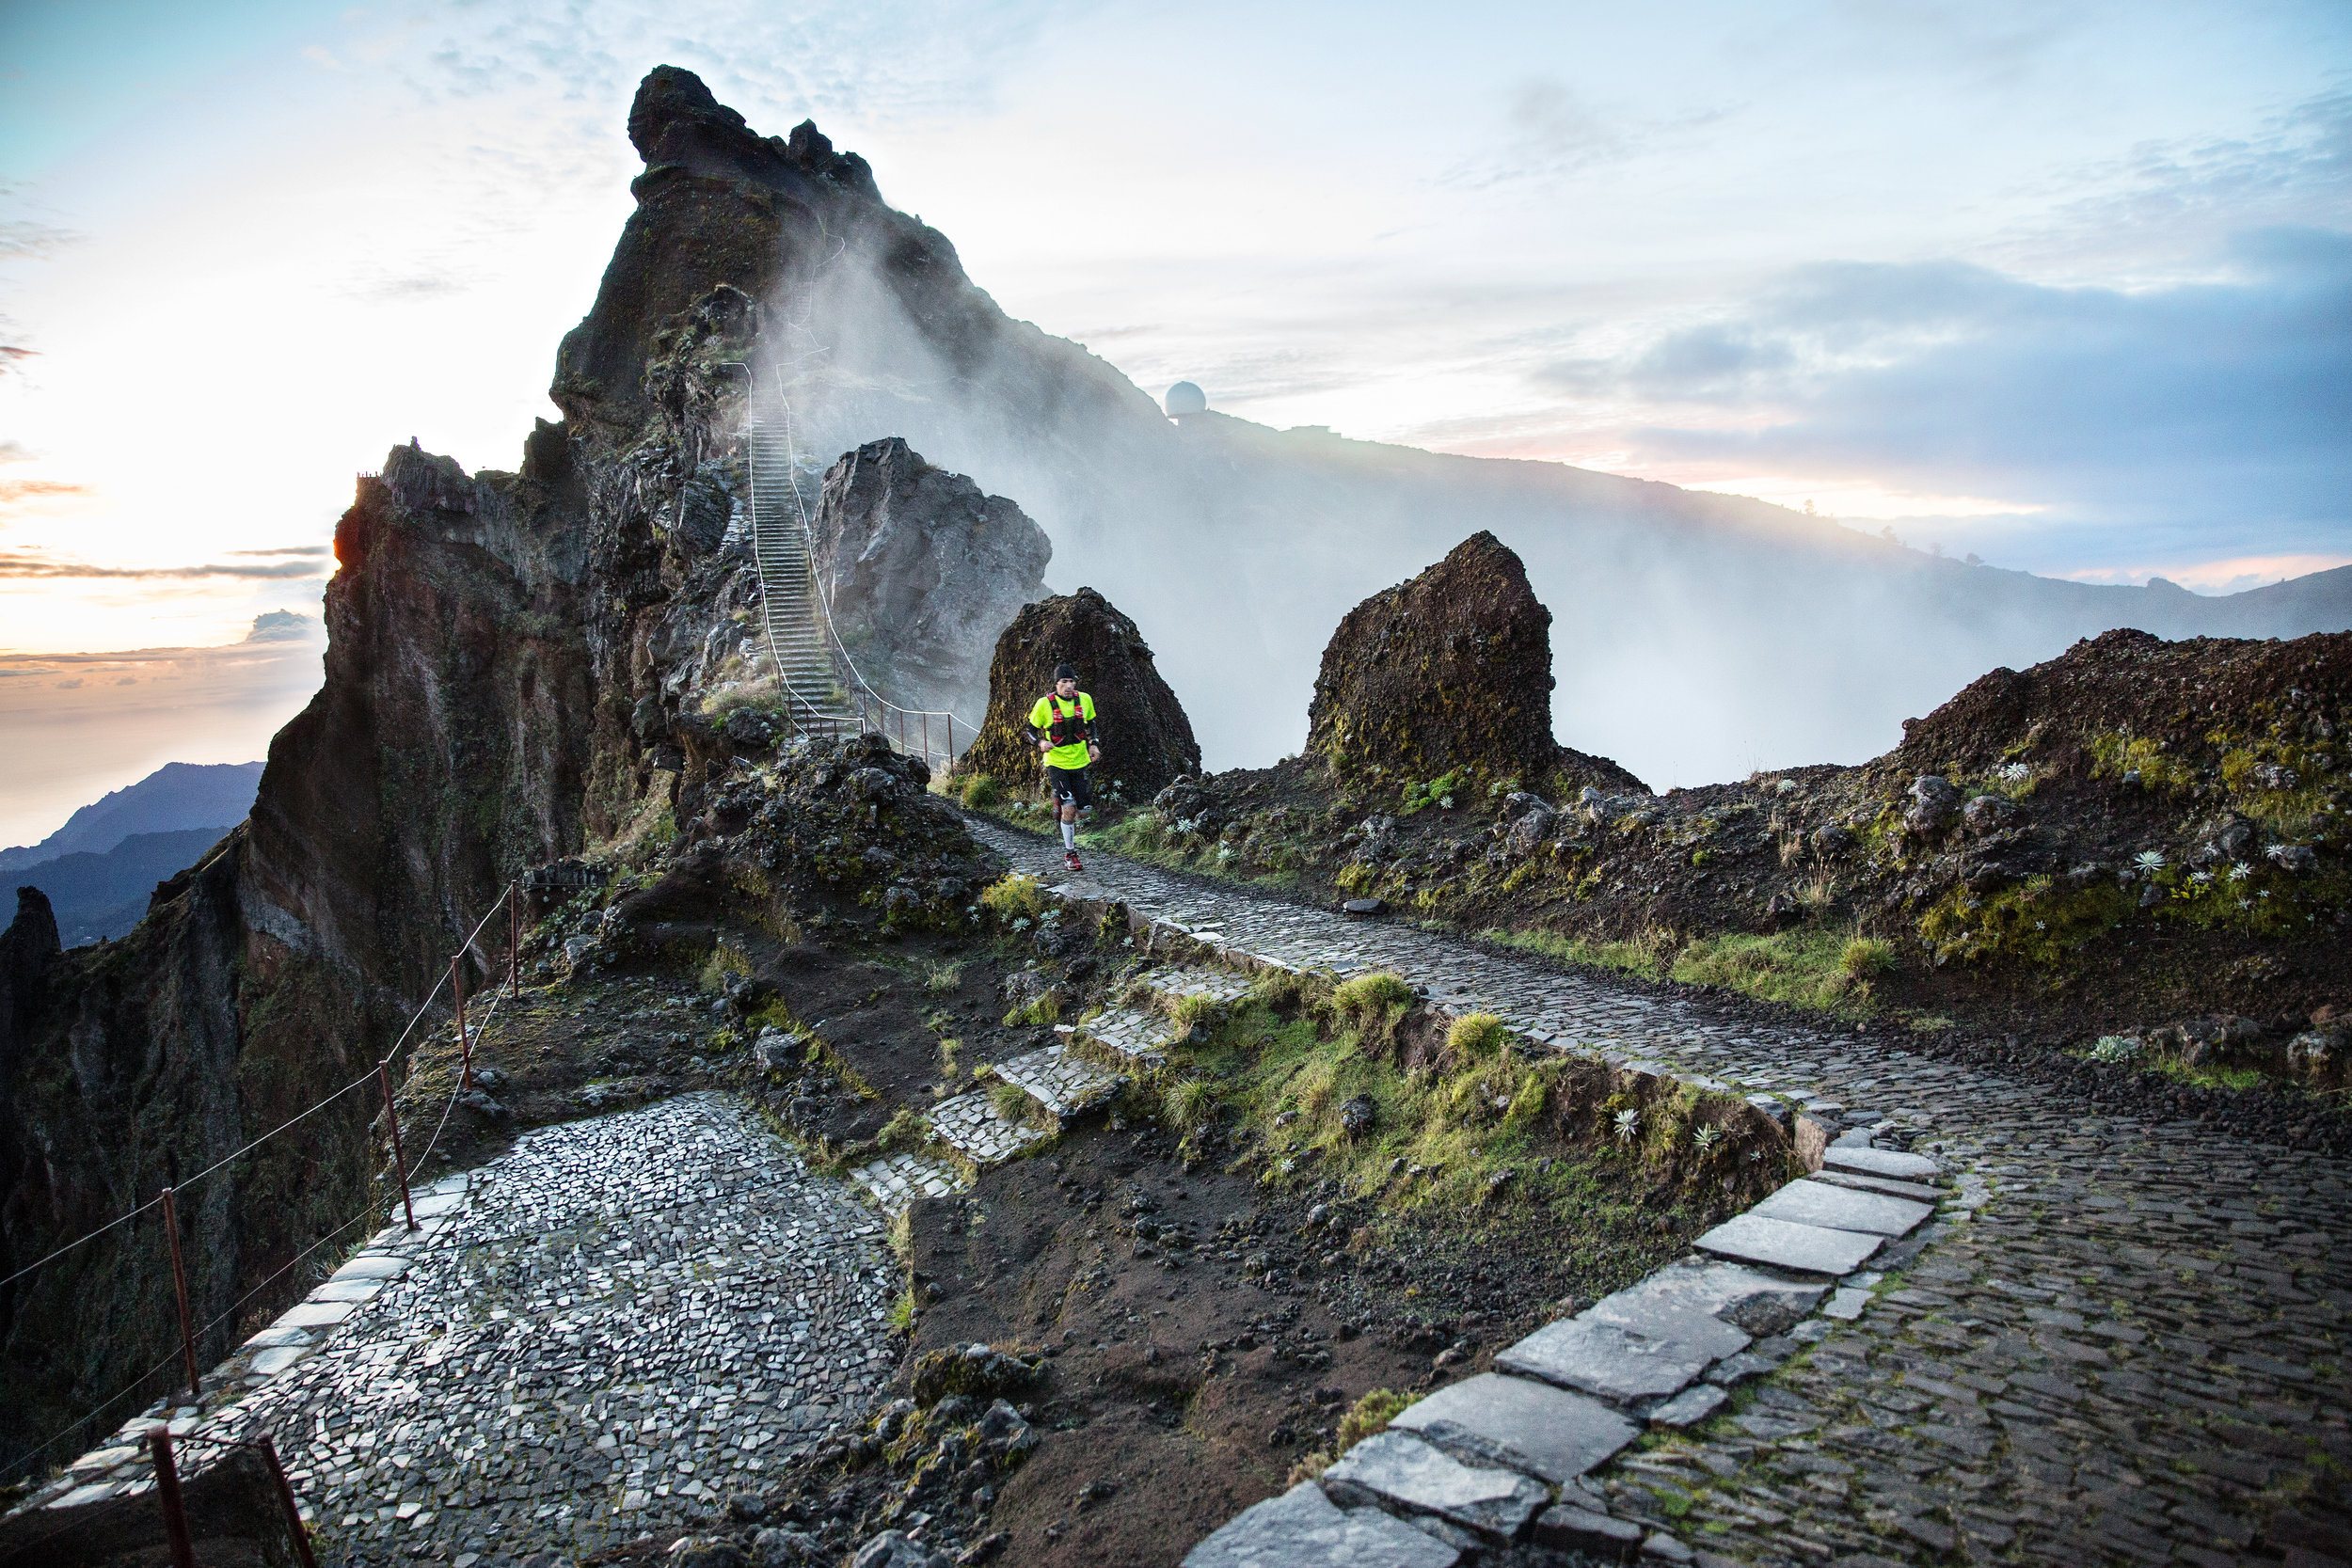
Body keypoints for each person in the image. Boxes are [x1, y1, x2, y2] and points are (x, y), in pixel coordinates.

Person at [1027, 663, 1100, 873]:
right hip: (1056, 763)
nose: (1068, 686)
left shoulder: (1084, 700)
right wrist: (1039, 743)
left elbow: (1091, 724)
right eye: (1063, 682)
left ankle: (1058, 800)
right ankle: (1070, 855)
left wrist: (1093, 744)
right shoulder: (1044, 704)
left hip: (1079, 762)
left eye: (1071, 682)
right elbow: (1030, 730)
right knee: (1069, 810)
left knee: (1084, 812)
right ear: (1056, 684)